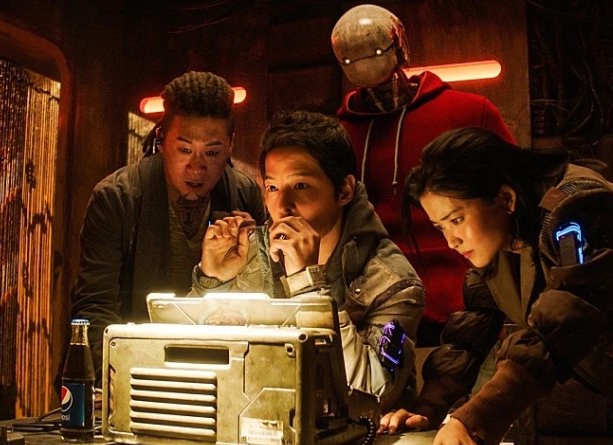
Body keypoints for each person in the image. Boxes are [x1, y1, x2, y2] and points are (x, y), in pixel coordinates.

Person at [396, 127, 613, 445]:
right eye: (440, 226)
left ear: (505, 198)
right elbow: (469, 336)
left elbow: (569, 308)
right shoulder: (497, 249)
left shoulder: (579, 209)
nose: (451, 241)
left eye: (456, 220)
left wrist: (475, 419)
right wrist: (427, 409)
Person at [190, 111, 425, 411]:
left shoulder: (392, 280)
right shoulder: (250, 253)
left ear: (344, 190)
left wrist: (309, 287)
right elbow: (194, 370)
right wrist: (213, 283)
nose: (282, 205)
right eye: (272, 188)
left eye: (300, 186)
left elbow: (373, 393)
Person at [331, 4, 516, 344]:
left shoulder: (468, 113)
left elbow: (519, 198)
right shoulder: (338, 136)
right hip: (379, 306)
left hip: (473, 303)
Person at [67, 71, 265, 378]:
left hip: (217, 366)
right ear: (161, 140)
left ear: (230, 146)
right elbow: (95, 308)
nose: (197, 167)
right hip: (132, 364)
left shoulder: (243, 194)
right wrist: (113, 380)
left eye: (212, 152)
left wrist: (254, 258)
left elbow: (261, 306)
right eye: (184, 149)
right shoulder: (118, 198)